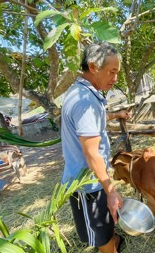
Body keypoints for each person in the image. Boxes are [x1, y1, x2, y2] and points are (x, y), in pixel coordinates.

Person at [61, 42, 131, 253]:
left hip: (93, 179)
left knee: (106, 224)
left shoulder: (82, 92)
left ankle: (114, 240)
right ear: (93, 67)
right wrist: (110, 190)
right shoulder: (85, 102)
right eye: (112, 72)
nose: (115, 78)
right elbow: (91, 152)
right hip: (88, 185)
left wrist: (116, 115)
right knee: (100, 234)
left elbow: (94, 121)